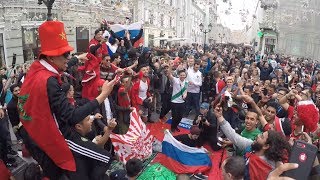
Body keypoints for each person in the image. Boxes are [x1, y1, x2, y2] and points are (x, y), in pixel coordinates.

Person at [18, 20, 116, 179]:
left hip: (36, 134)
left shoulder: (38, 69)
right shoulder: (49, 81)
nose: (68, 58)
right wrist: (102, 95)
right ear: (51, 57)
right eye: (65, 54)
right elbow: (72, 116)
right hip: (55, 136)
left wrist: (77, 59)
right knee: (103, 158)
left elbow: (61, 65)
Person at [214, 105, 291, 179]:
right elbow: (235, 137)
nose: (258, 136)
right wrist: (220, 117)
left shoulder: (268, 169)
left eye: (261, 136)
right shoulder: (255, 145)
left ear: (266, 146)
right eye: (247, 118)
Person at [67, 114, 116, 180]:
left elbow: (97, 147)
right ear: (79, 126)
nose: (91, 121)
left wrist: (109, 129)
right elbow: (106, 157)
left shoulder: (86, 134)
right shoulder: (77, 142)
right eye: (88, 119)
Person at [168, 64, 188, 132]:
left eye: (183, 75)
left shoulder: (186, 82)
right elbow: (169, 75)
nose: (182, 76)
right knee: (175, 116)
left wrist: (185, 95)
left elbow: (186, 91)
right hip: (174, 101)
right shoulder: (175, 80)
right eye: (181, 75)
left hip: (182, 102)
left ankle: (176, 126)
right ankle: (172, 127)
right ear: (179, 75)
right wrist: (170, 66)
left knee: (180, 117)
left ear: (185, 76)